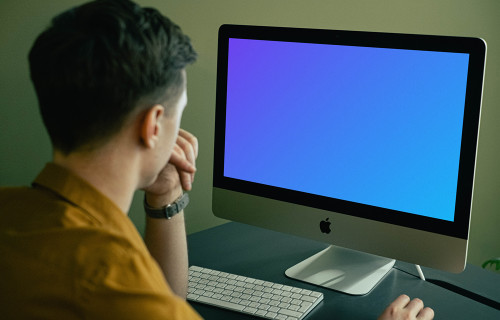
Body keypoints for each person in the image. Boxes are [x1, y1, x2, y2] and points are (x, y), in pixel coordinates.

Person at [0, 0, 434, 319]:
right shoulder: (113, 278)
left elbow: (165, 298)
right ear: (153, 125)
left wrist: (165, 196)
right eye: (178, 112)